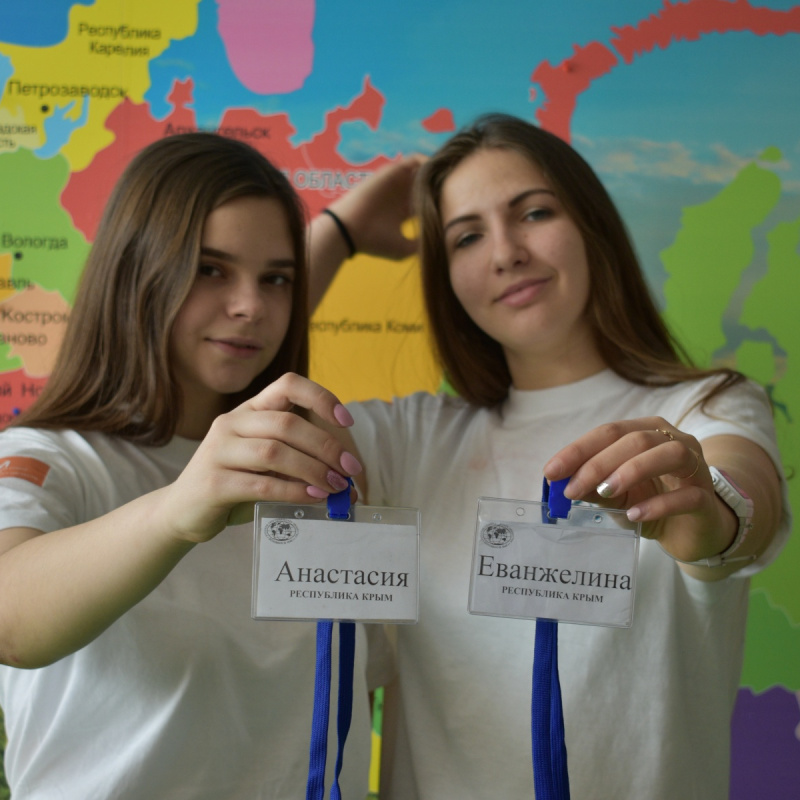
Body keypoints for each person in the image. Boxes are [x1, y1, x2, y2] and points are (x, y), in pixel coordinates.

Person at [336, 114, 790, 799]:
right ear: (444, 277)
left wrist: (709, 512)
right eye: (466, 237)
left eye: (534, 213)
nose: (506, 253)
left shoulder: (705, 407)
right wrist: (336, 234)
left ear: (591, 225)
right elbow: (238, 408)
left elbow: (745, 498)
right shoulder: (410, 440)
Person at [0, 132, 419, 799]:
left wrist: (342, 231)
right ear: (135, 271)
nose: (251, 306)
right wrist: (178, 509)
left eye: (278, 279)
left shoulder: (305, 463)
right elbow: (11, 621)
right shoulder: (55, 459)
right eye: (209, 268)